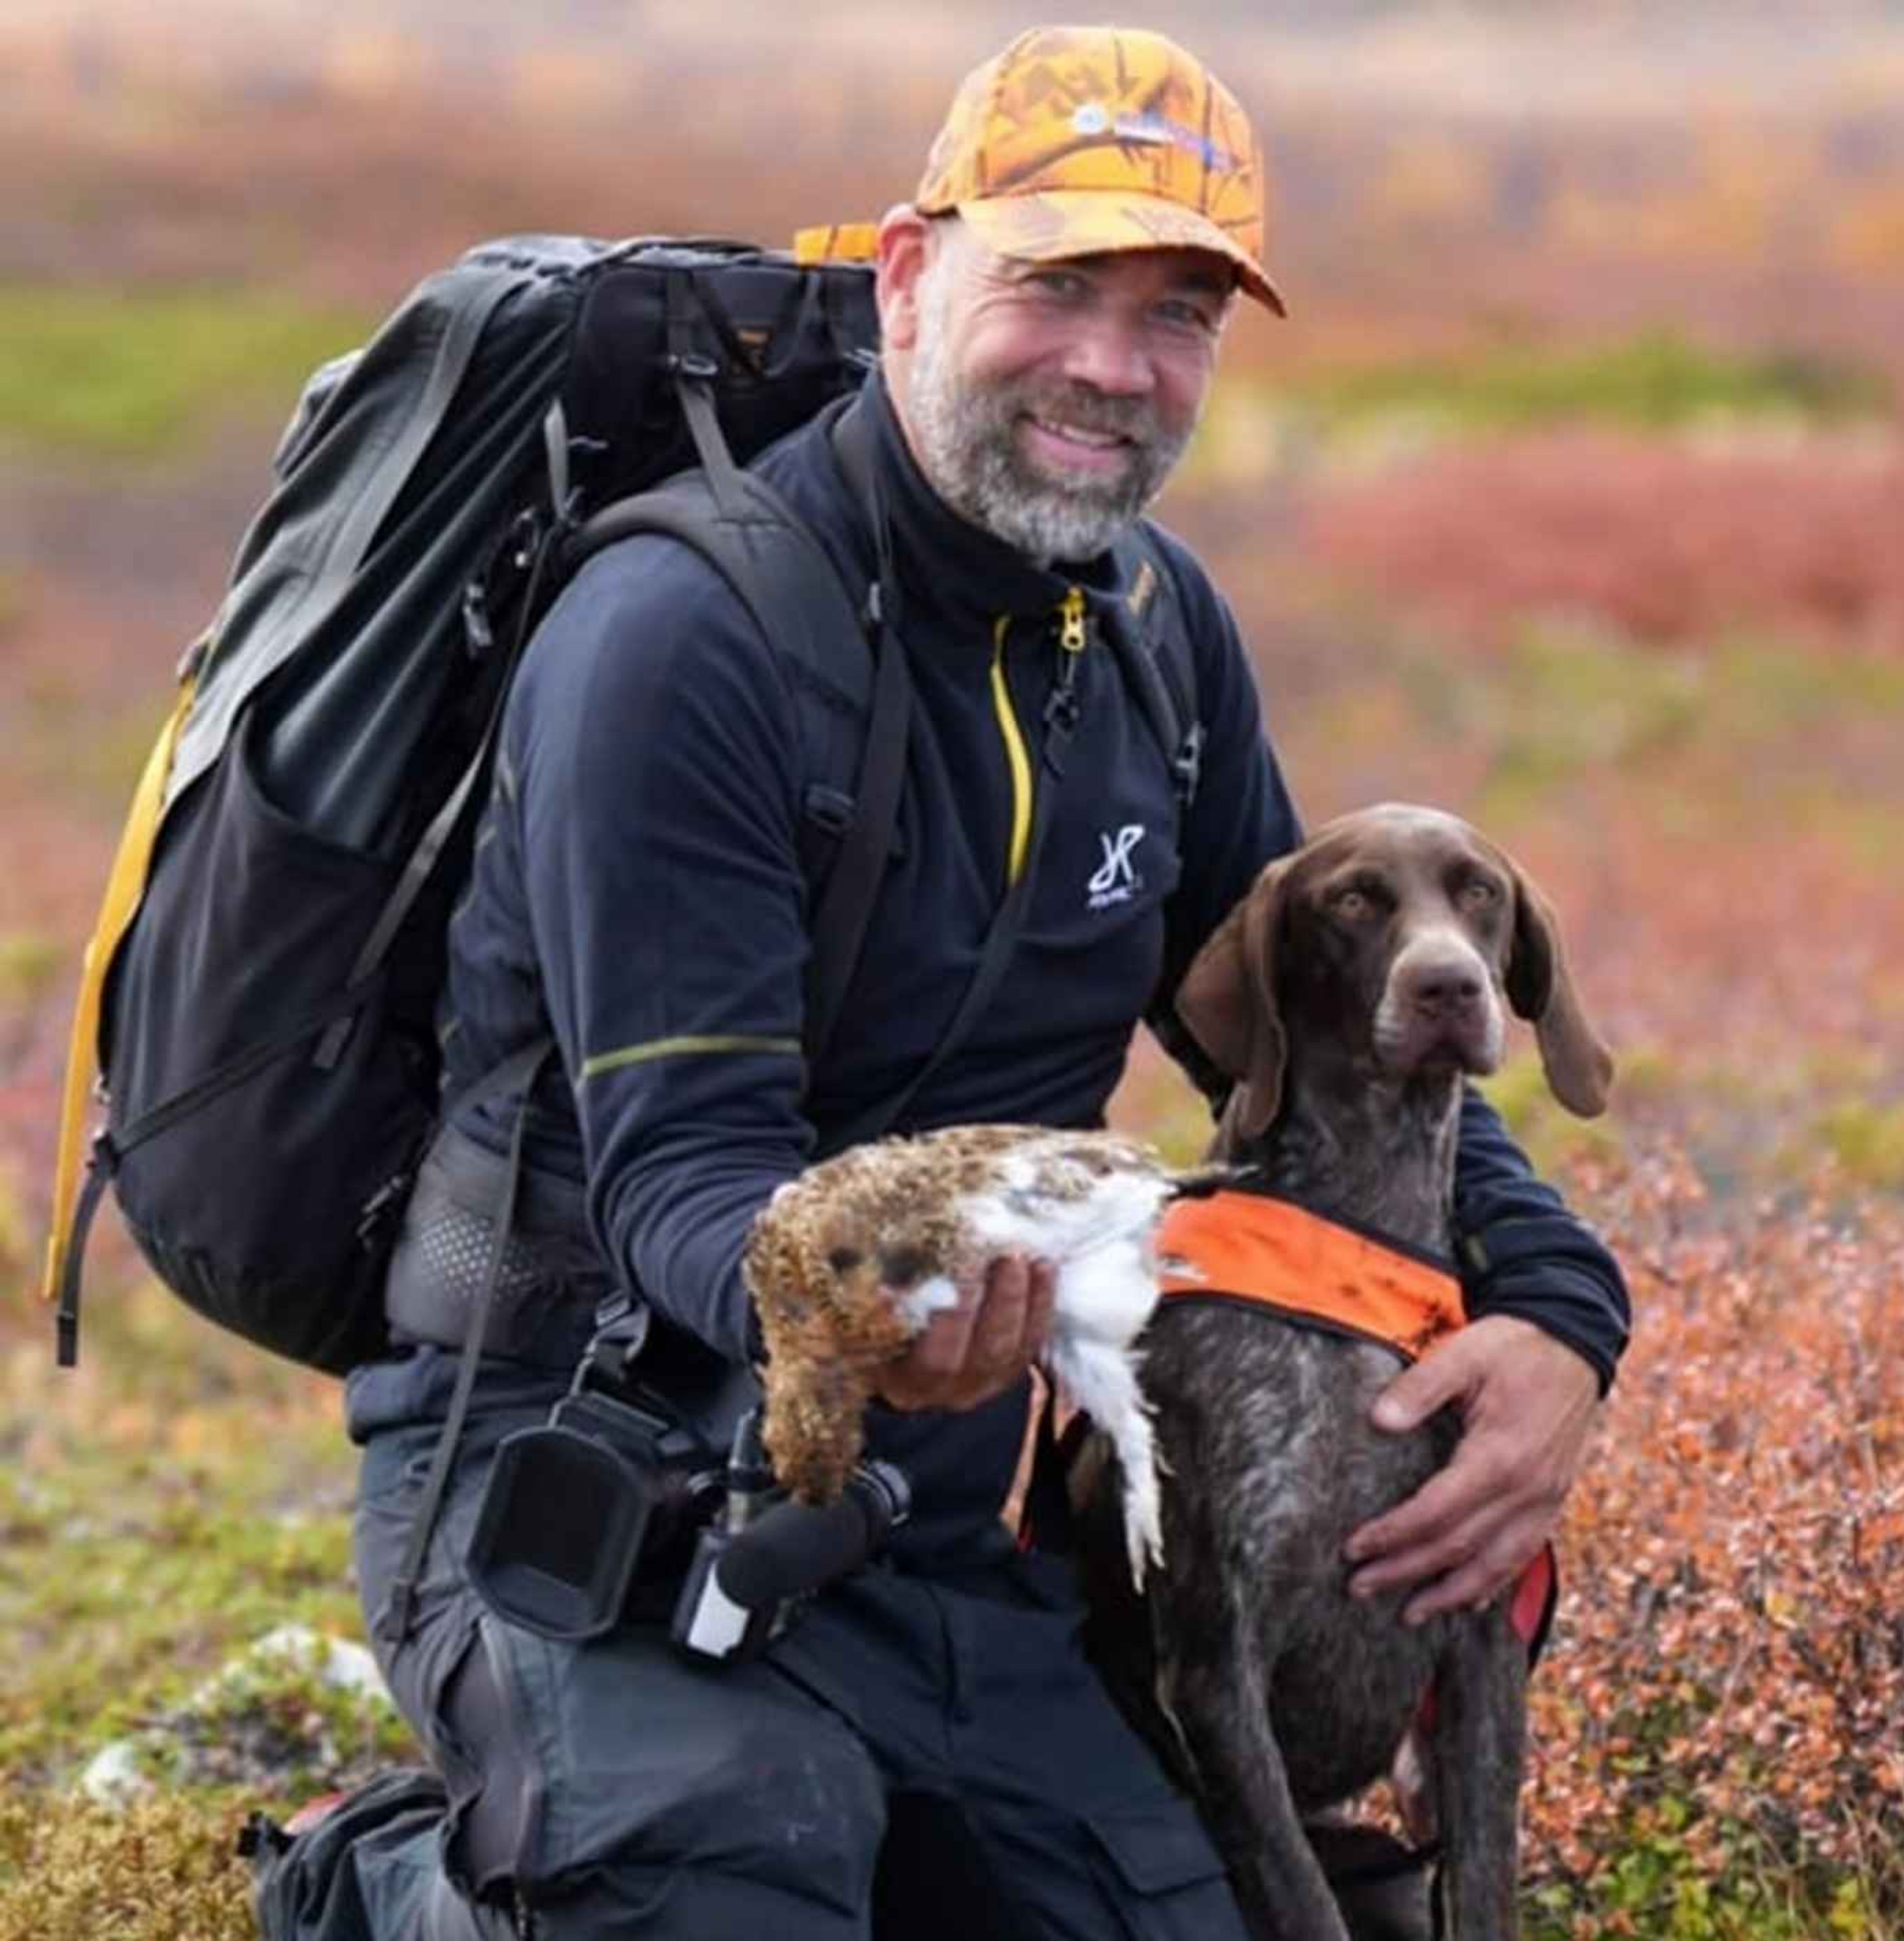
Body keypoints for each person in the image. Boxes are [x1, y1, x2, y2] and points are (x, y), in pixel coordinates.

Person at [328, 24, 1630, 1941]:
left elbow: (1295, 1058)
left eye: (1179, 311)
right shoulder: (684, 640)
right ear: (915, 274)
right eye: (1059, 285)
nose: (1116, 366)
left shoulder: (1159, 638)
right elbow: (683, 1181)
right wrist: (881, 1314)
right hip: (578, 1469)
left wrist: (1558, 1317)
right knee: (725, 1895)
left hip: (930, 1520)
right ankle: (375, 1890)